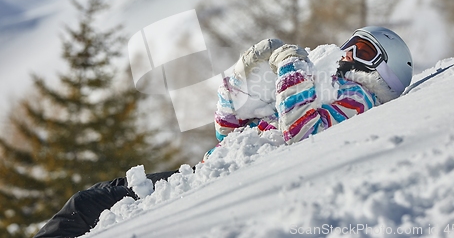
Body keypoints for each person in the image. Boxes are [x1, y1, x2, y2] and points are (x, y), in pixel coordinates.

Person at [34, 26, 413, 238]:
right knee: (97, 200)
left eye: (362, 50)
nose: (347, 54)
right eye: (351, 44)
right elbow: (227, 134)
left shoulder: (359, 99)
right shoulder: (326, 87)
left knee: (88, 204)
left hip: (221, 183)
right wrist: (239, 78)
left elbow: (301, 129)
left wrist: (292, 66)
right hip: (210, 172)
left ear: (385, 70)